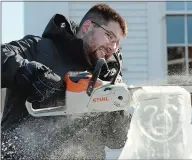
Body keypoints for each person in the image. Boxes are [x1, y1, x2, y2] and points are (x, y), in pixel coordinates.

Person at [1, 4, 131, 159]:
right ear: (88, 27)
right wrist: (33, 74)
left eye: (117, 43)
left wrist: (118, 108)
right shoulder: (40, 49)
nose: (113, 47)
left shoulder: (107, 77)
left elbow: (116, 141)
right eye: (110, 36)